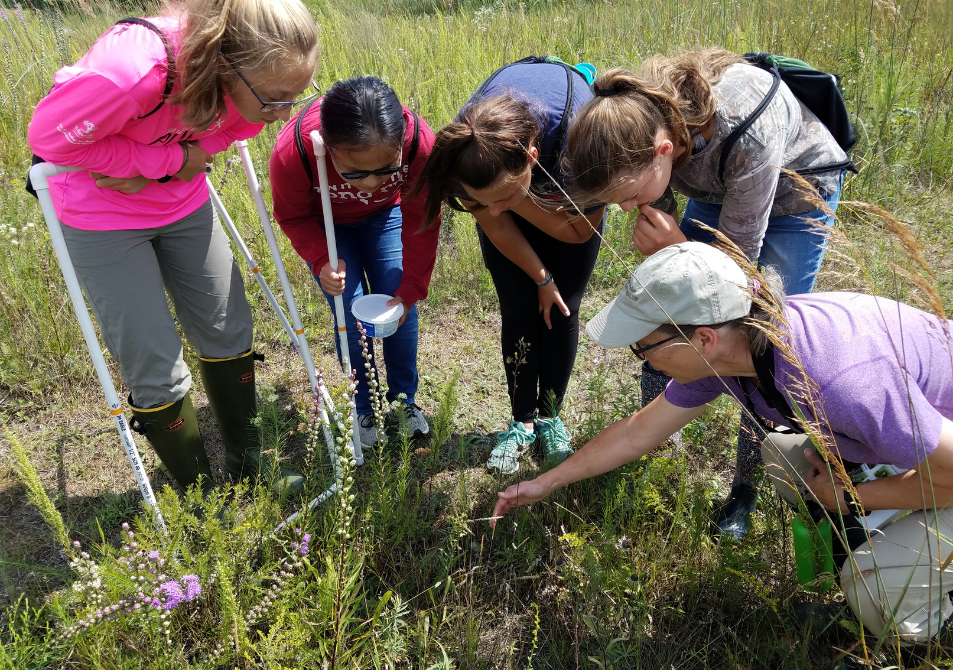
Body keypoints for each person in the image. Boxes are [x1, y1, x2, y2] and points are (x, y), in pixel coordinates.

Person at [491, 241, 953, 644]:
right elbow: (638, 432)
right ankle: (885, 564)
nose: (644, 362)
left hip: (947, 462)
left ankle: (921, 621)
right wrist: (547, 482)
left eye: (644, 347)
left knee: (871, 584)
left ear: (704, 338)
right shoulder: (744, 347)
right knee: (782, 455)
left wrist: (850, 497)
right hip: (925, 445)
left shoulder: (839, 379)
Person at [27, 0, 319, 495]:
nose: (284, 114)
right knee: (153, 360)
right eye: (274, 98)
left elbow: (229, 132)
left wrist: (167, 165)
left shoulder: (253, 89)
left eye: (296, 94)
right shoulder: (132, 70)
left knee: (228, 327)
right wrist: (159, 160)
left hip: (183, 203)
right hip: (101, 215)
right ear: (225, 63)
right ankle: (199, 493)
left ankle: (248, 462)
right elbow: (51, 140)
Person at [562, 48, 852, 540]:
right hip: (721, 186)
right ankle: (653, 444)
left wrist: (678, 246)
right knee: (665, 307)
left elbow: (735, 284)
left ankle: (746, 488)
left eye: (630, 197)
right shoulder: (641, 124)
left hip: (796, 193)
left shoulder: (747, 130)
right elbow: (677, 285)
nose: (628, 209)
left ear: (662, 152)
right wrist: (669, 252)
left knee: (761, 339)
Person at [414, 57, 606, 474]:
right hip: (509, 178)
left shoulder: (584, 142)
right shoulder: (467, 150)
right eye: (481, 199)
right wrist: (540, 275)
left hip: (569, 201)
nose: (493, 209)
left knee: (561, 307)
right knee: (518, 308)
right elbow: (494, 222)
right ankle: (521, 424)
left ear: (532, 157)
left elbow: (577, 233)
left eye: (501, 197)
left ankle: (551, 417)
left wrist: (517, 203)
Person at [269, 76, 439, 447]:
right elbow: (292, 216)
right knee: (349, 311)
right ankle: (364, 405)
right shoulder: (294, 150)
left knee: (398, 303)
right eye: (355, 172)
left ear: (402, 143)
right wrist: (319, 260)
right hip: (328, 225)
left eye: (386, 170)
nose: (370, 185)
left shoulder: (419, 144)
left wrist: (413, 286)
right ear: (328, 147)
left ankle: (402, 401)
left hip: (387, 217)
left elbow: (423, 217)